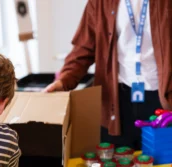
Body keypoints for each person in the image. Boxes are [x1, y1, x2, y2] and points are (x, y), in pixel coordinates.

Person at [45, 0, 172, 150]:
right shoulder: (101, 3)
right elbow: (83, 49)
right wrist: (63, 81)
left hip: (163, 101)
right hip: (116, 103)